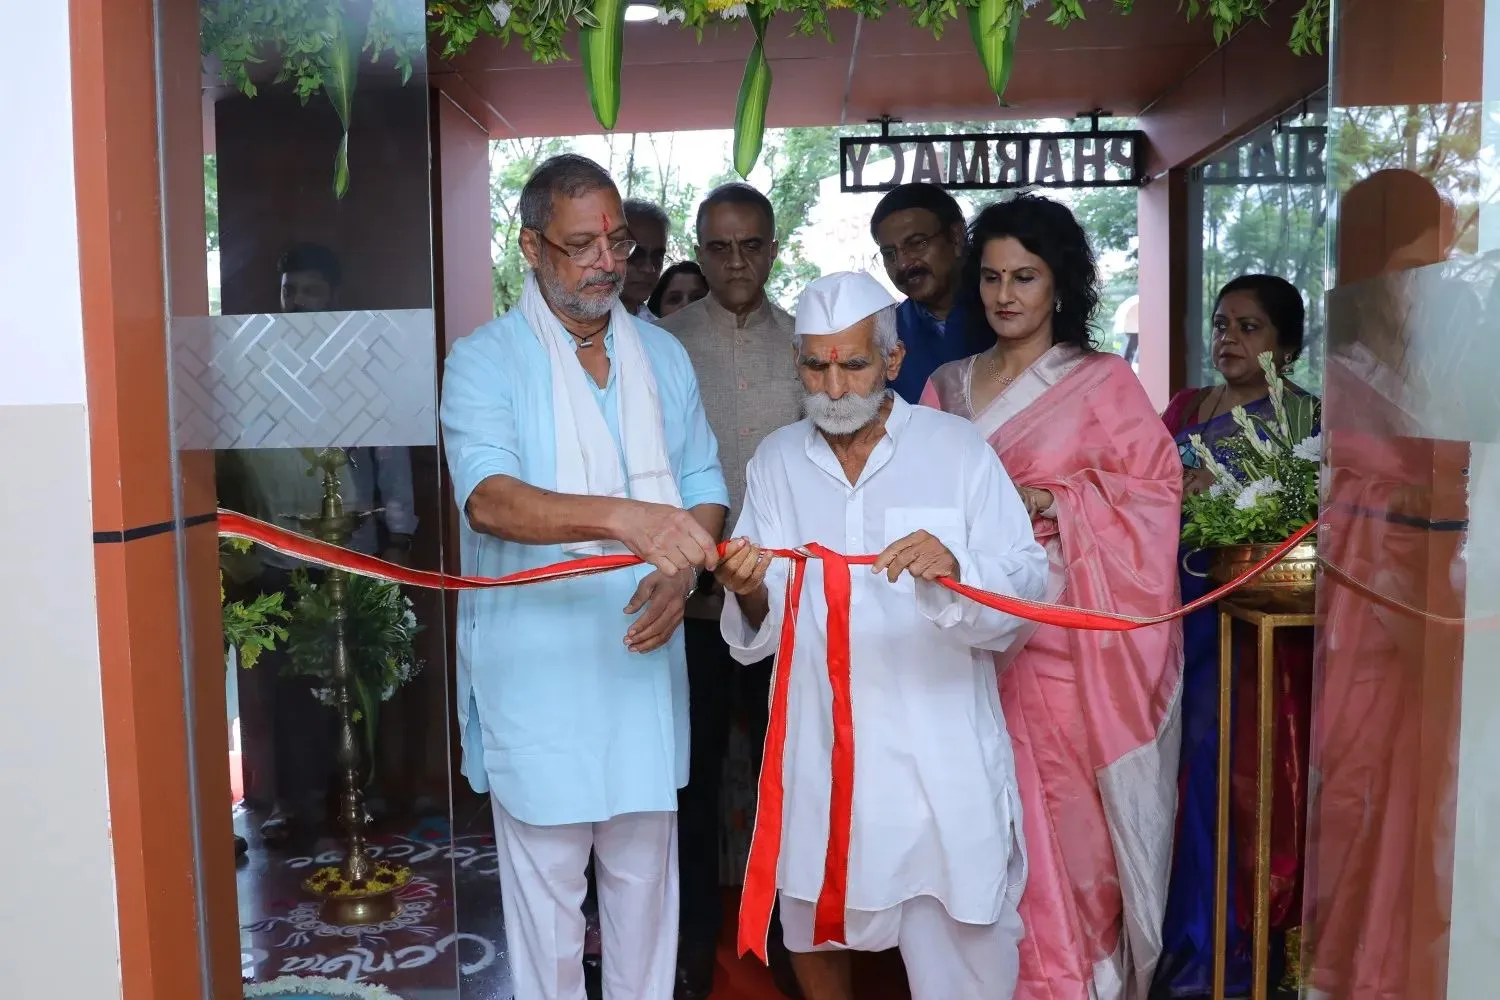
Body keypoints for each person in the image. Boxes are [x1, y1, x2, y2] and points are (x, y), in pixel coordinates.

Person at [439, 153, 730, 1000]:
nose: (608, 262)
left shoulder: (661, 357)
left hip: (642, 664)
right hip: (541, 674)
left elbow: (704, 484)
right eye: (582, 246)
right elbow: (489, 500)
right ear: (531, 247)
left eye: (619, 241)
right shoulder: (486, 360)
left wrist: (681, 574)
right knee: (550, 925)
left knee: (646, 904)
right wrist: (625, 518)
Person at [717, 270, 1047, 1000]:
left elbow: (1027, 581)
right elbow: (760, 621)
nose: (833, 388)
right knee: (811, 913)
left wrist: (957, 570)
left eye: (854, 365)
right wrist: (745, 589)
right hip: (819, 748)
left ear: (893, 360)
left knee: (963, 940)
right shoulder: (776, 460)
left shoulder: (956, 449)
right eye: (815, 366)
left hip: (937, 752)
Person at [920, 194, 1184, 999]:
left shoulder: (1103, 382)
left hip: (1064, 647)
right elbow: (917, 498)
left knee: (1070, 832)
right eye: (992, 276)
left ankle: (1074, 983)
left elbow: (1155, 494)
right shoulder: (946, 387)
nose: (1005, 295)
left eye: (1025, 277)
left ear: (1059, 284)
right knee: (979, 827)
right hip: (965, 643)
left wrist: (1051, 499)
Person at [657, 181, 804, 1000]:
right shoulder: (662, 346)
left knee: (787, 777)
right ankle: (690, 949)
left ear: (773, 248)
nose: (736, 262)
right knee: (692, 781)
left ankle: (788, 938)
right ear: (700, 251)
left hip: (783, 608)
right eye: (719, 247)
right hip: (690, 608)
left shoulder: (806, 344)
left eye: (751, 246)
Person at [221, 243, 418, 847]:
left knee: (361, 675)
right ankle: (297, 804)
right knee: (290, 686)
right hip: (278, 552)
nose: (298, 302)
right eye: (290, 291)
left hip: (353, 553)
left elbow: (391, 456)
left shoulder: (362, 364)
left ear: (334, 296)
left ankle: (369, 793)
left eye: (309, 291)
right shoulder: (255, 368)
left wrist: (399, 538)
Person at [1155, 275, 1317, 998]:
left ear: (1287, 344)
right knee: (1174, 769)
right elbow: (1140, 480)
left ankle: (1235, 947)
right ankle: (1175, 939)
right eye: (1223, 324)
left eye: (1250, 327)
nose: (1229, 339)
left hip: (1255, 626)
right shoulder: (1188, 407)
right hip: (1173, 604)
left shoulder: (1306, 420)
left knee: (1237, 776)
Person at [870, 182, 992, 402]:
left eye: (917, 243)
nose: (903, 264)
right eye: (889, 253)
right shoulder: (885, 334)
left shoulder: (1005, 312)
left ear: (956, 237)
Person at [623, 198, 671, 318]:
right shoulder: (579, 322)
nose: (649, 269)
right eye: (635, 255)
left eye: (657, 257)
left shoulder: (658, 328)